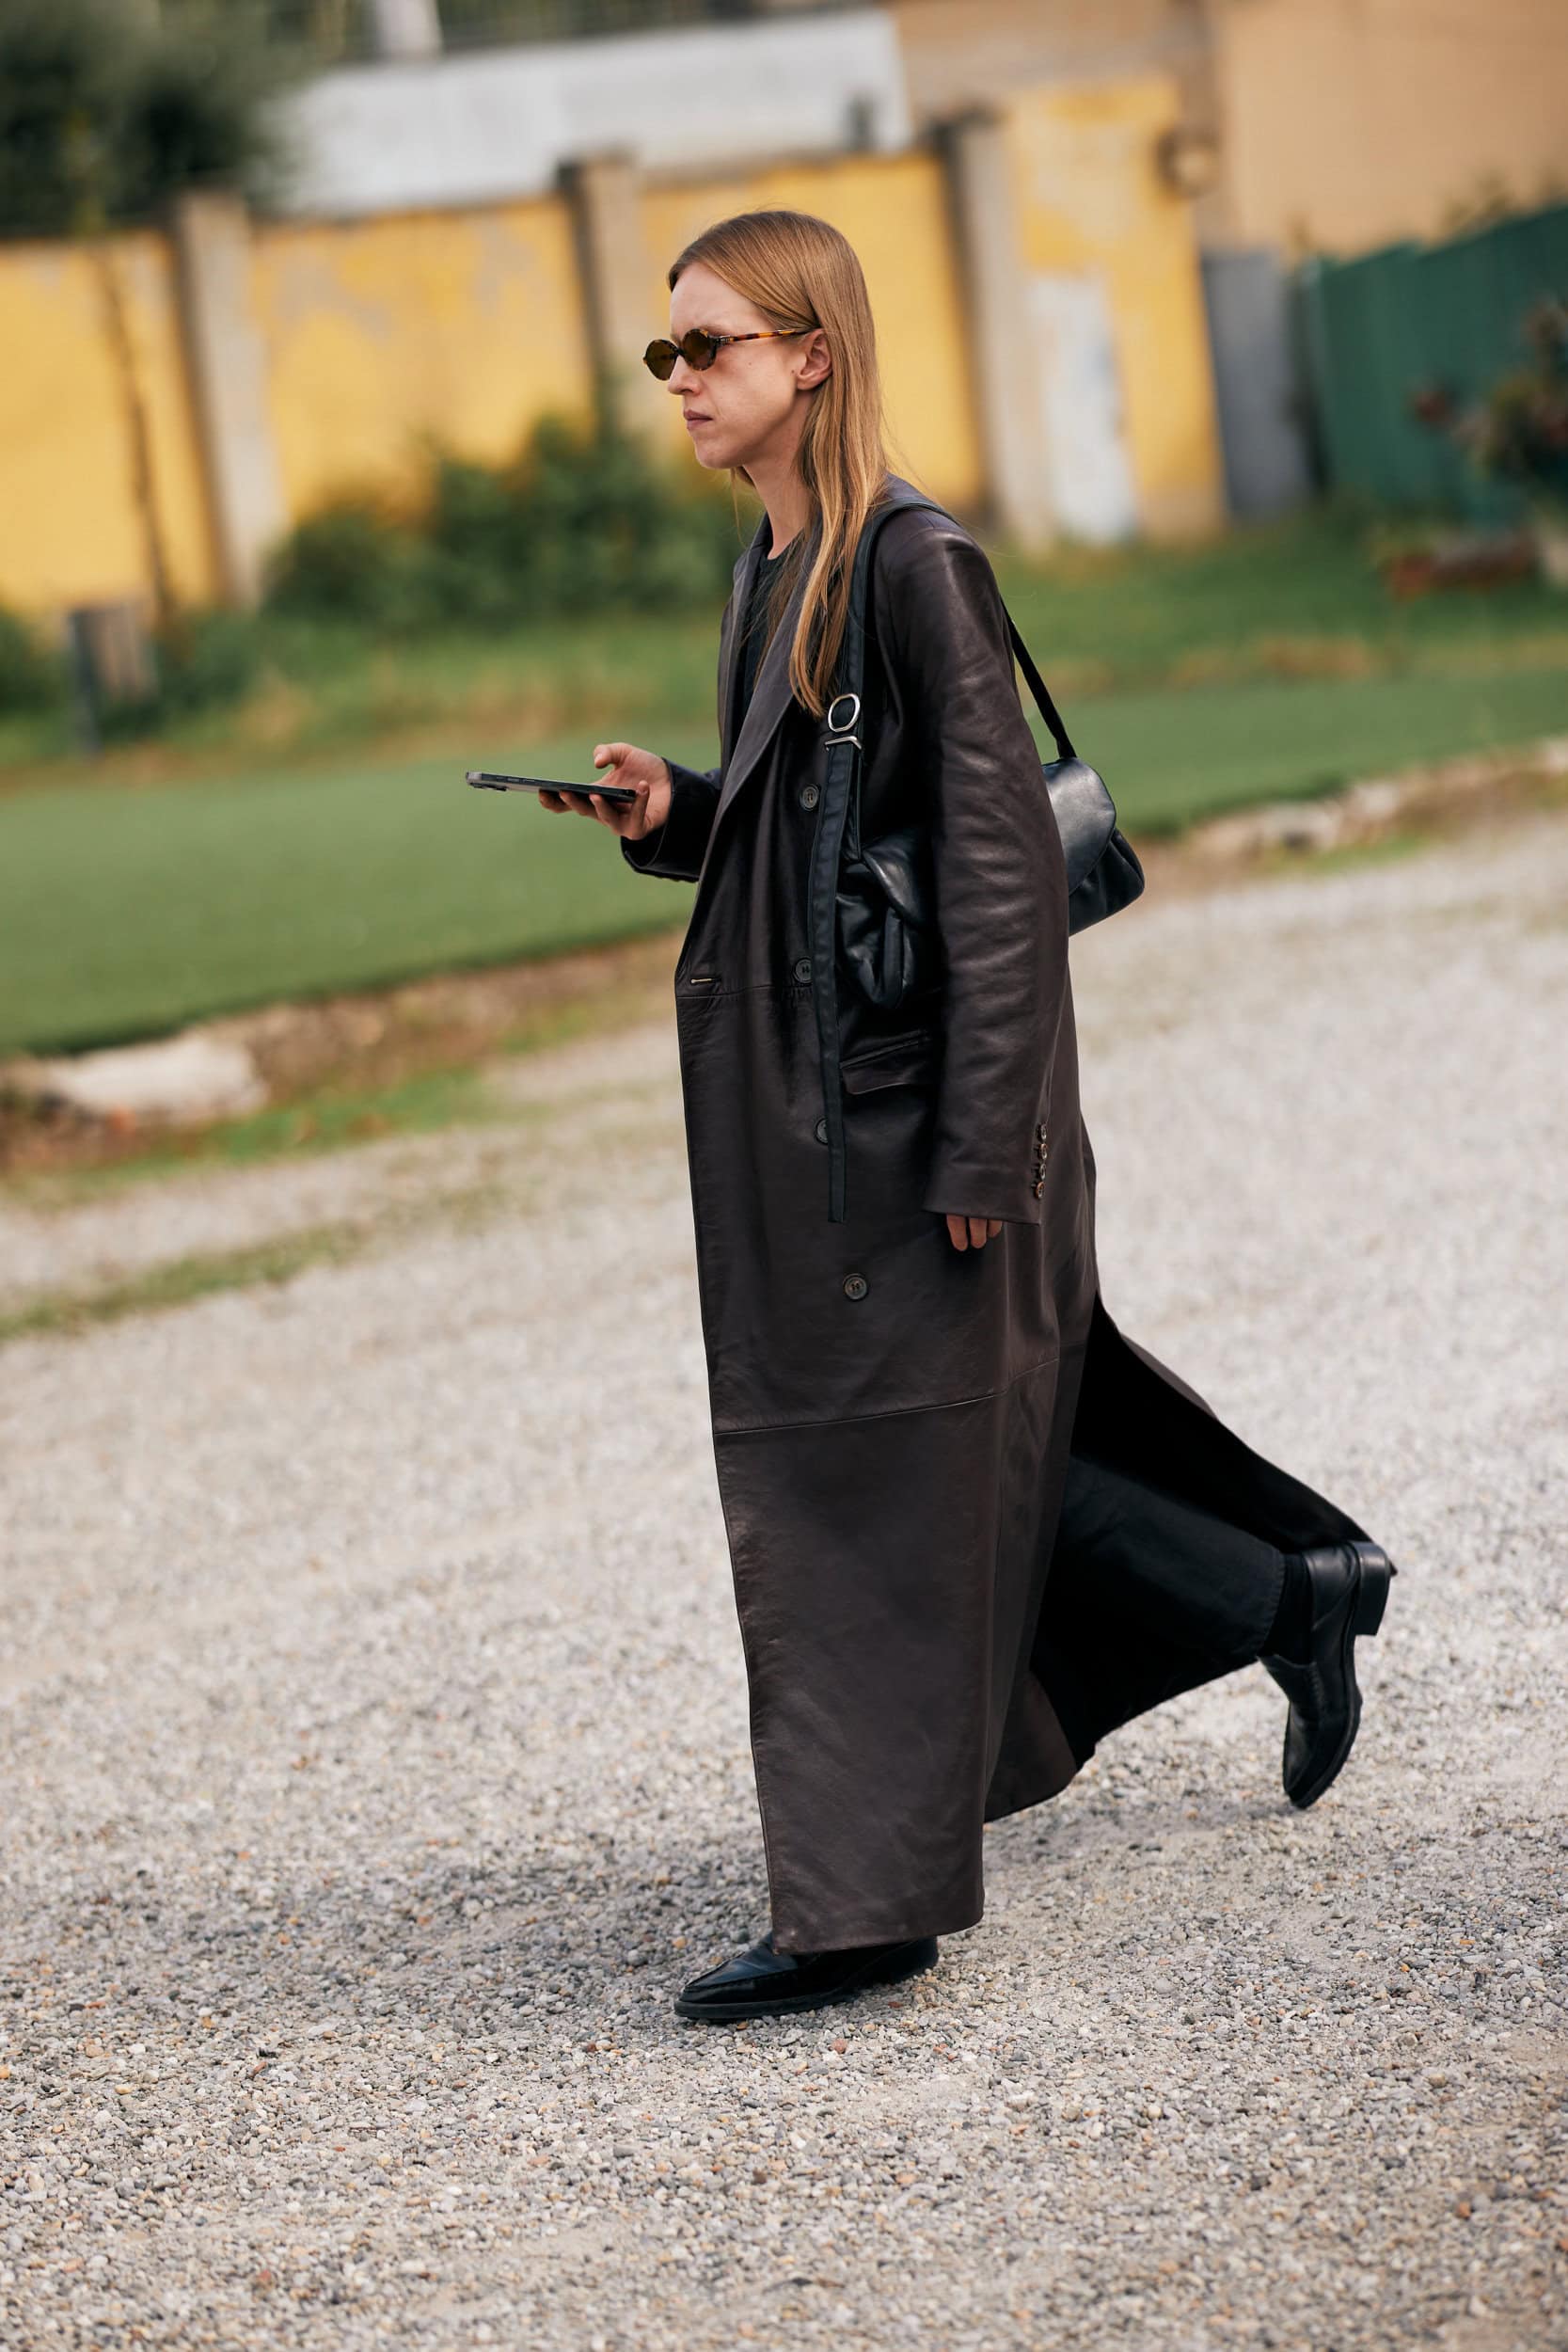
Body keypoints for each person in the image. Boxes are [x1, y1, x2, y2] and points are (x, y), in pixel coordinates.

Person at [538, 208, 1396, 2026]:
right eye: (667, 351)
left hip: (918, 1130)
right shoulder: (773, 568)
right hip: (826, 1131)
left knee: (864, 1490)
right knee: (960, 1460)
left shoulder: (915, 565)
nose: (679, 379)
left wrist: (986, 1146)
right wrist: (681, 811)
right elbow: (830, 838)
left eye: (710, 345)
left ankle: (863, 1912)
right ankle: (1290, 1593)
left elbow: (998, 881)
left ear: (811, 357)